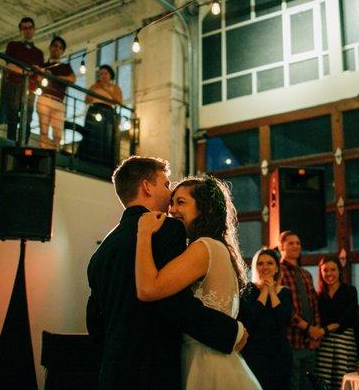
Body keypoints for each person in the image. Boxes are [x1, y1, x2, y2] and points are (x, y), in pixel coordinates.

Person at [86, 156, 247, 390]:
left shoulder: (102, 251)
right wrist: (230, 332)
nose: (169, 195)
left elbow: (95, 321)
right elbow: (175, 304)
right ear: (146, 186)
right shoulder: (167, 230)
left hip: (114, 372)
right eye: (165, 184)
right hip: (155, 370)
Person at [135, 175, 261, 389]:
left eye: (181, 202)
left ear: (205, 209)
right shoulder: (218, 247)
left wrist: (144, 234)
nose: (172, 210)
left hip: (205, 363)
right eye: (172, 202)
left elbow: (148, 288)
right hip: (216, 357)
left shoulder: (204, 247)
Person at [239, 248, 292, 390]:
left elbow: (284, 318)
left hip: (279, 352)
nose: (265, 267)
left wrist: (272, 291)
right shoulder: (247, 290)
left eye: (270, 263)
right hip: (254, 352)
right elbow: (251, 317)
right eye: (260, 263)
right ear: (255, 267)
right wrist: (264, 291)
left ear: (276, 268)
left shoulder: (285, 292)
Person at [278, 230, 321, 390]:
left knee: (308, 386)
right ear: (281, 247)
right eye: (291, 243)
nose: (296, 246)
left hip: (310, 343)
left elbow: (314, 305)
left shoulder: (306, 274)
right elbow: (283, 308)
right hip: (290, 341)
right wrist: (308, 328)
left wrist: (316, 332)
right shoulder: (278, 273)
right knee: (292, 386)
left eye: (298, 243)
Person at [315, 256, 357, 390]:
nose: (329, 274)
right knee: (324, 380)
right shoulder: (319, 294)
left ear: (339, 271)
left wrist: (325, 330)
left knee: (342, 379)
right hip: (325, 342)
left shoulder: (350, 291)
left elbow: (347, 318)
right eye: (325, 270)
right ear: (321, 273)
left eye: (332, 269)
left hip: (344, 340)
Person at [0, 17, 44, 143]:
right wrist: (28, 72)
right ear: (20, 30)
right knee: (12, 117)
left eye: (30, 27)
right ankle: (11, 143)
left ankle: (23, 144)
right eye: (24, 28)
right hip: (14, 84)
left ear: (34, 30)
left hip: (30, 88)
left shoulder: (38, 53)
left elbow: (39, 75)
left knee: (28, 118)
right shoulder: (13, 46)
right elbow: (9, 65)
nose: (27, 30)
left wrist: (37, 72)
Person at [77, 65, 122, 165]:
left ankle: (104, 161)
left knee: (106, 135)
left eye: (105, 73)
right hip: (94, 109)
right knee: (92, 133)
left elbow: (118, 100)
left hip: (107, 111)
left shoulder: (115, 87)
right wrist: (96, 89)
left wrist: (105, 89)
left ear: (110, 75)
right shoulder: (94, 86)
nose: (103, 76)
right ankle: (89, 159)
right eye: (101, 74)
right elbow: (87, 100)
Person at [36, 36, 75, 149]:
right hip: (45, 98)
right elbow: (38, 78)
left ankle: (54, 153)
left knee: (58, 134)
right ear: (50, 47)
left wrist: (54, 76)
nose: (57, 49)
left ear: (62, 51)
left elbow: (72, 79)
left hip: (59, 101)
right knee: (44, 130)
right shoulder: (43, 65)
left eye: (60, 47)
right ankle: (44, 150)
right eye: (55, 46)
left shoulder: (65, 66)